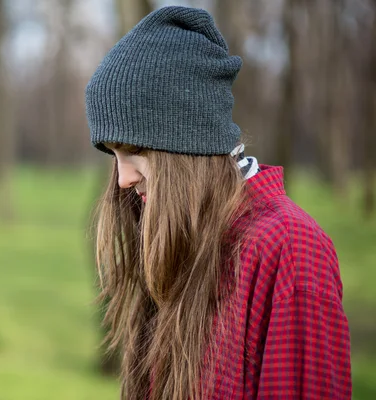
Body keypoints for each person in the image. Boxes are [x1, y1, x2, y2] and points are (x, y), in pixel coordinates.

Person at [85, 6, 352, 400]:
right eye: (113, 155)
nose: (123, 179)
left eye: (136, 150)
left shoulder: (290, 251)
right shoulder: (178, 234)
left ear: (188, 142)